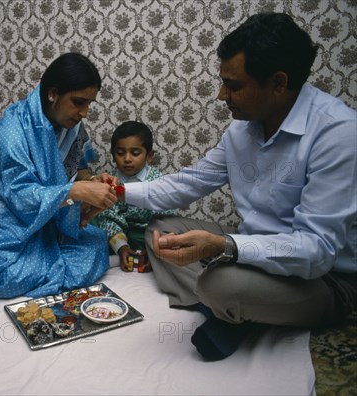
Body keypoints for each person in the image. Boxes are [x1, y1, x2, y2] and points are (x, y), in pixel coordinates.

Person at [120, 13, 357, 361]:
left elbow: (316, 251)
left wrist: (226, 246)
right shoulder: (241, 132)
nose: (221, 95)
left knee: (221, 284)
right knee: (160, 231)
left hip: (324, 279)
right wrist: (117, 191)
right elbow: (187, 183)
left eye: (233, 85)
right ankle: (237, 313)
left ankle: (229, 305)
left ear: (278, 83)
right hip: (254, 253)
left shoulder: (338, 133)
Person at [0, 52, 119, 298]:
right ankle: (49, 265)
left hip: (50, 221)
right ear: (53, 94)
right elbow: (20, 195)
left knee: (96, 243)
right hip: (9, 222)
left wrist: (94, 183)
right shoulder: (11, 129)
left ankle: (47, 264)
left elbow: (78, 171)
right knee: (4, 273)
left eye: (89, 104)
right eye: (78, 102)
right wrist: (77, 191)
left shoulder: (72, 127)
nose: (84, 112)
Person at [93, 121, 176, 272]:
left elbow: (163, 219)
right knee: (95, 220)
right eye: (120, 153)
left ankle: (150, 255)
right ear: (112, 155)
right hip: (119, 233)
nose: (127, 159)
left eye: (135, 153)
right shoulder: (111, 182)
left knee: (167, 230)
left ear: (149, 156)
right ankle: (120, 253)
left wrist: (153, 248)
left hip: (146, 233)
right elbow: (109, 218)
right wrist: (122, 247)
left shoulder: (157, 181)